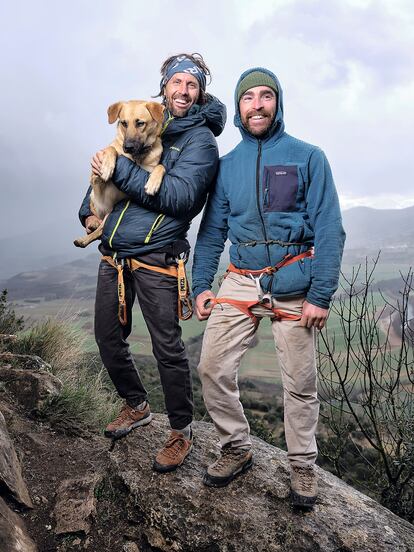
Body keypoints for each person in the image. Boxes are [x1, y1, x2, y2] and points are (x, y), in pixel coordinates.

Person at [192, 67, 345, 507]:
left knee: (299, 381)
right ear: (239, 107)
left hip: (295, 278)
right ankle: (237, 447)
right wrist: (203, 284)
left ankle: (302, 467)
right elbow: (211, 233)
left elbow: (331, 229)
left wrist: (320, 294)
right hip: (241, 279)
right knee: (212, 368)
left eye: (265, 96)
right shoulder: (227, 167)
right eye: (248, 98)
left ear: (277, 102)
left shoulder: (308, 157)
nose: (256, 104)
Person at [78, 53, 226, 473]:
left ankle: (181, 429)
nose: (183, 90)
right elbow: (101, 173)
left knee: (167, 349)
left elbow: (180, 199)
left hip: (159, 258)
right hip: (115, 254)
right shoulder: (134, 122)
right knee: (107, 338)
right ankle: (136, 404)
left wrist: (122, 171)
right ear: (164, 88)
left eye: (191, 85)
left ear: (199, 93)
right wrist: (88, 215)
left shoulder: (201, 142)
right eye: (176, 81)